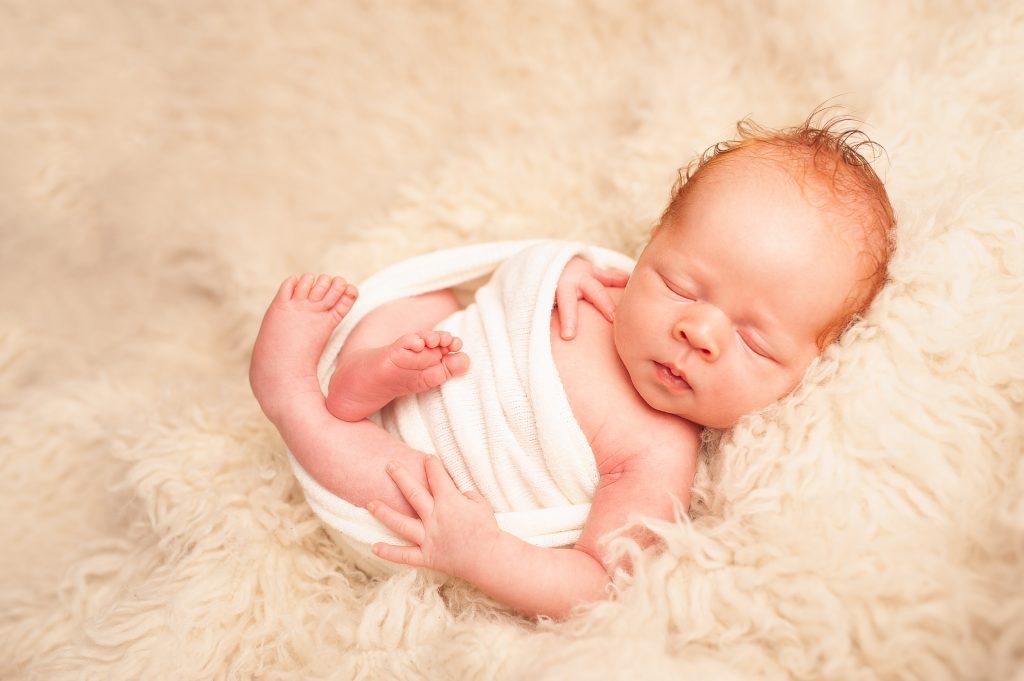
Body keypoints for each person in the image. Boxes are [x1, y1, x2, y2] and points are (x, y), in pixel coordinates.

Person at [249, 113, 895, 619]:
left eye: (754, 342)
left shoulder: (656, 455)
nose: (697, 331)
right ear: (649, 246)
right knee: (430, 302)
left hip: (431, 483)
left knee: (410, 483)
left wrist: (480, 550)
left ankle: (294, 396)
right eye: (683, 286)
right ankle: (366, 375)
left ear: (810, 370)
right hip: (442, 361)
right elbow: (516, 278)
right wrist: (560, 266)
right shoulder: (599, 286)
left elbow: (594, 584)